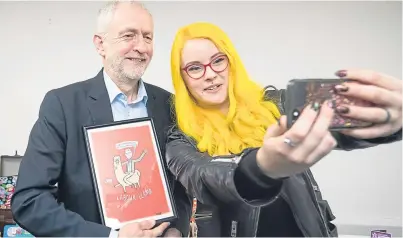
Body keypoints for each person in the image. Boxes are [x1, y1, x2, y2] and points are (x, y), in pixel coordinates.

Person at [165, 22, 402, 237]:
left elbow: (335, 122)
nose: (210, 74)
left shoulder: (277, 105)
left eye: (218, 60)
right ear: (182, 78)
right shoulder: (179, 139)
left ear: (231, 61)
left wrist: (386, 120)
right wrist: (261, 167)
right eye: (195, 68)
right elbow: (205, 177)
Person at [11, 2, 190, 237]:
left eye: (148, 37)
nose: (141, 47)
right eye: (129, 35)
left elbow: (181, 189)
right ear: (100, 44)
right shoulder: (62, 105)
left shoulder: (171, 106)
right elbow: (29, 200)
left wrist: (176, 230)